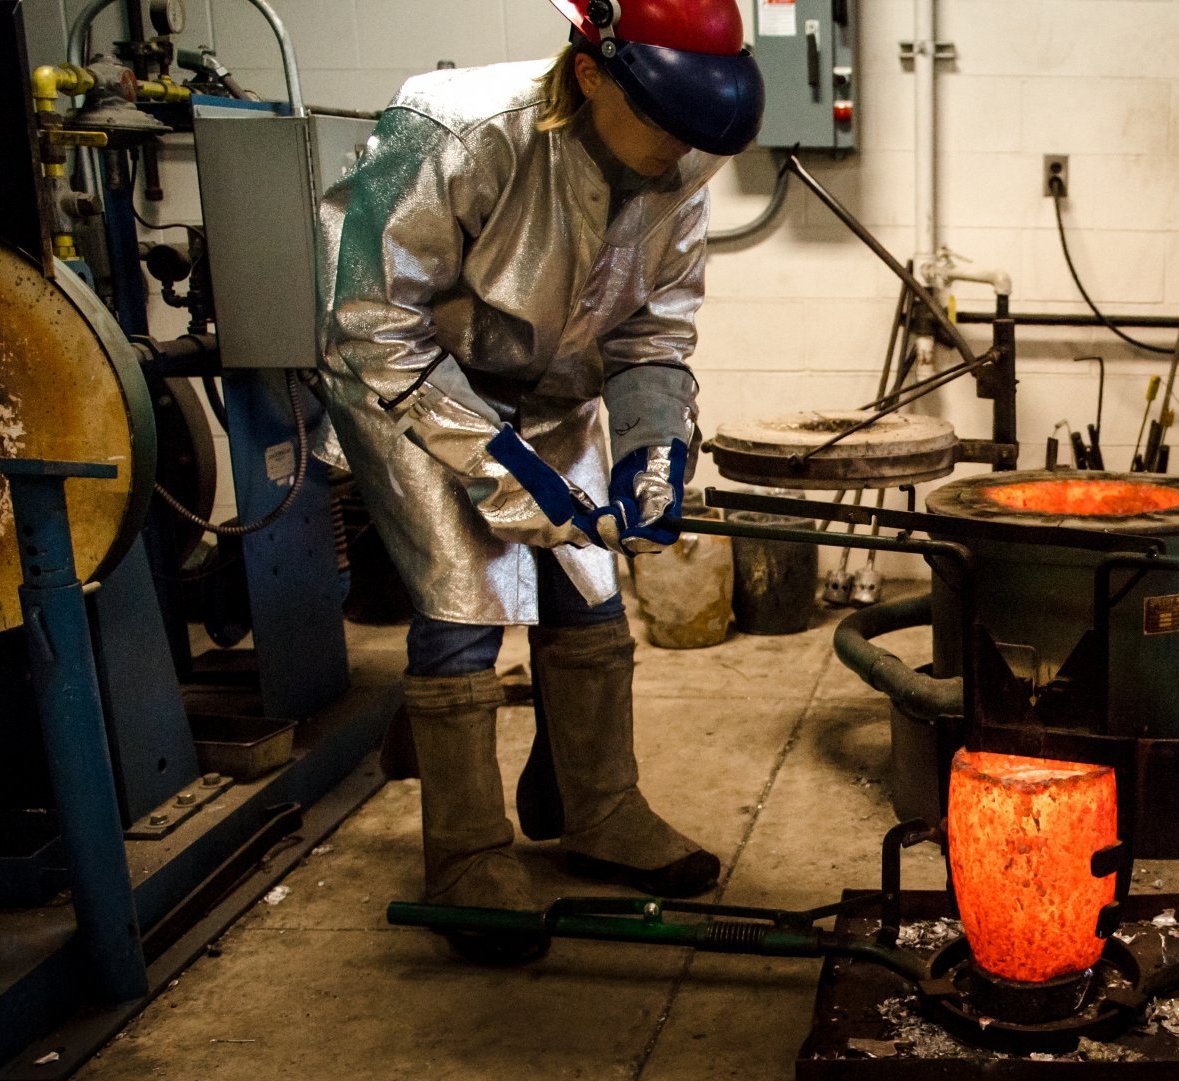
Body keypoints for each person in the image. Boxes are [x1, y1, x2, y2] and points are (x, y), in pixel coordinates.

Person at [315, 0, 763, 964]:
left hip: (552, 386)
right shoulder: (457, 131)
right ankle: (469, 856)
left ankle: (595, 808)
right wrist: (504, 463)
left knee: (589, 591)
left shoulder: (681, 158)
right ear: (594, 72)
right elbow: (370, 325)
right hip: (414, 383)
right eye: (668, 130)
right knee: (464, 611)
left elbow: (653, 327)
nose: (680, 159)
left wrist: (652, 445)